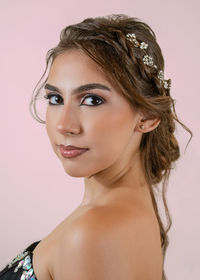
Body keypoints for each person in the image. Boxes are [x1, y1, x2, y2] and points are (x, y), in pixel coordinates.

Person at [0, 14, 192, 280]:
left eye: (91, 100)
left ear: (147, 117)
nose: (64, 125)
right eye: (55, 98)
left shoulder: (92, 235)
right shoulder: (134, 213)